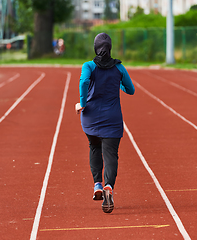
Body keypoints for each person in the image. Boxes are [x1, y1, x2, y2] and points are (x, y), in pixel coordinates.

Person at [75, 33, 135, 213]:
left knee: (94, 148)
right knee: (111, 155)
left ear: (95, 47)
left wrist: (83, 104)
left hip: (90, 118)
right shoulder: (119, 68)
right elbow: (130, 90)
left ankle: (98, 185)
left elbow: (84, 81)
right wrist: (119, 84)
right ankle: (109, 186)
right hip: (113, 119)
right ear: (109, 48)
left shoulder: (89, 66)